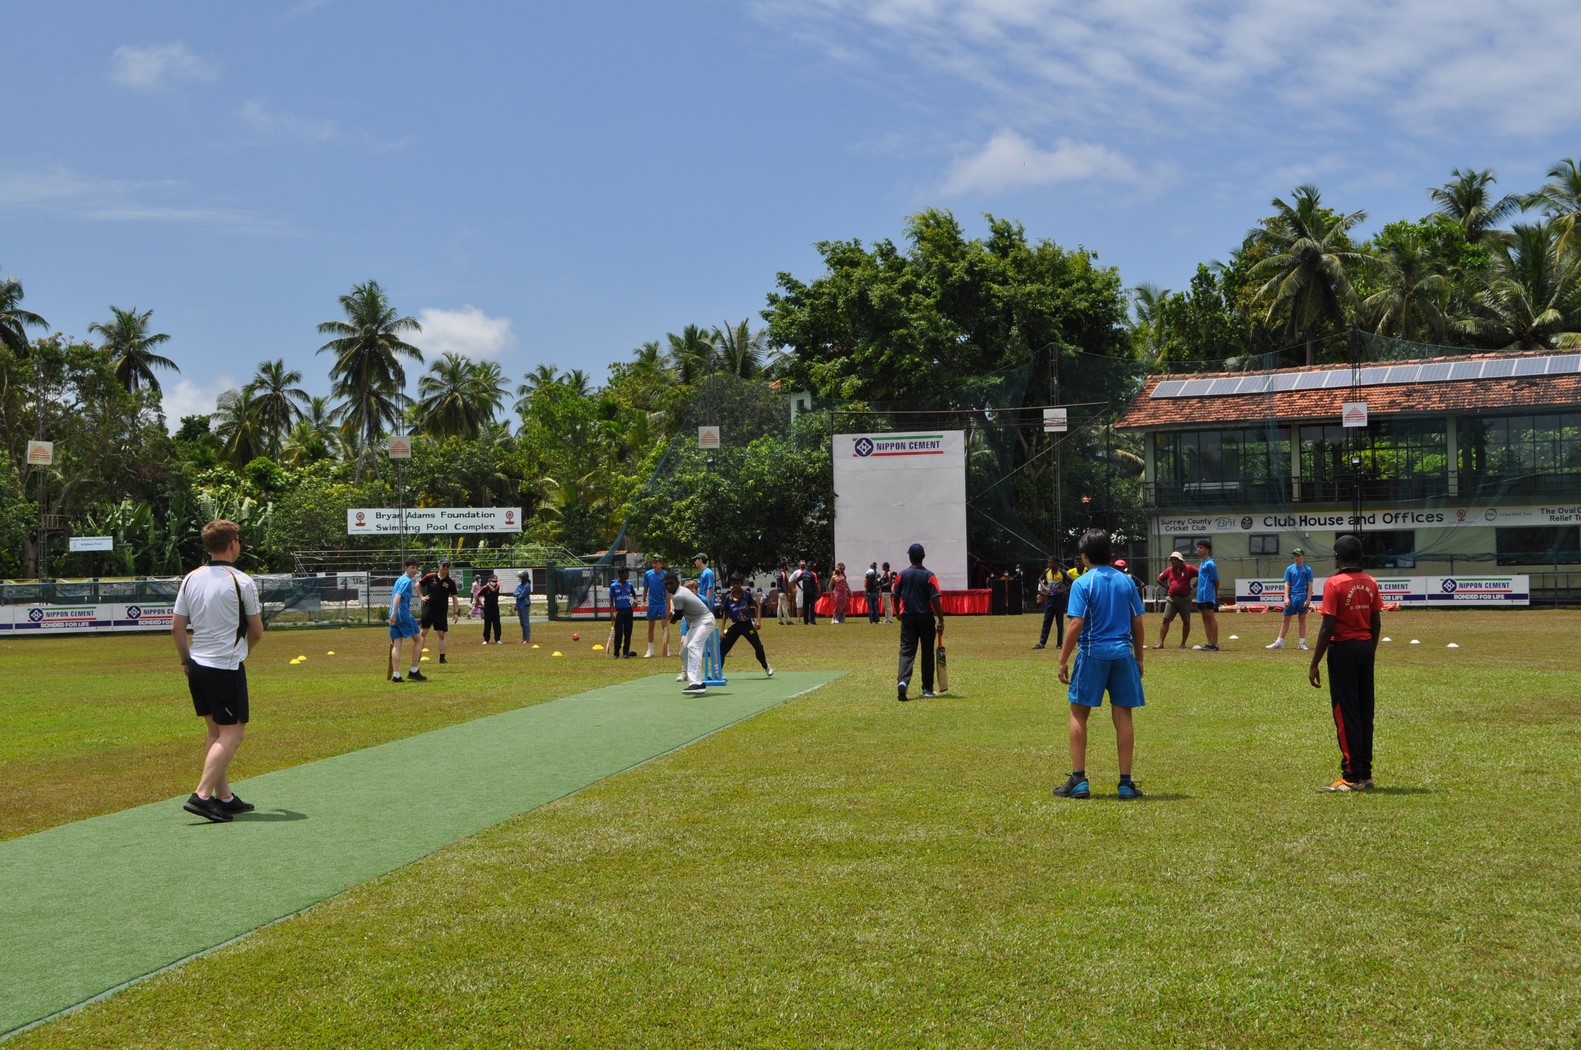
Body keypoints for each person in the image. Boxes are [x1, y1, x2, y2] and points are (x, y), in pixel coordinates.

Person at [171, 519, 265, 823]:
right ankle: (201, 795)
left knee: (215, 733)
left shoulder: (190, 578)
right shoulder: (242, 581)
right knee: (233, 734)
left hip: (197, 665)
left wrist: (186, 660)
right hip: (224, 667)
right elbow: (257, 631)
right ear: (233, 544)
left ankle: (223, 798)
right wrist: (241, 654)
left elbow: (177, 628)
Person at [1054, 528, 1146, 801]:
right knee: (1123, 716)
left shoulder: (1083, 583)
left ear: (1084, 555)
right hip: (1122, 655)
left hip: (1093, 653)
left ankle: (1079, 780)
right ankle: (1126, 783)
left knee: (1079, 713)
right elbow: (1138, 623)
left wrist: (1062, 659)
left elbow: (1076, 623)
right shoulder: (1126, 581)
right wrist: (1139, 657)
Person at [1308, 535, 1383, 792]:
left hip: (1342, 651)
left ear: (1336, 556)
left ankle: (1351, 777)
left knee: (1345, 712)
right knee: (1364, 711)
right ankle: (1366, 774)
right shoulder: (1370, 582)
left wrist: (1314, 662)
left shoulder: (1334, 583)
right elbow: (1376, 623)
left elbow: (1328, 625)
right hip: (1365, 649)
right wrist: (1369, 651)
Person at [893, 542, 944, 701]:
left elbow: (894, 595)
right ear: (923, 557)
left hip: (908, 617)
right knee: (927, 652)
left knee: (907, 651)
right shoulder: (930, 576)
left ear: (910, 557)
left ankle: (903, 681)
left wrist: (897, 613)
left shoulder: (902, 575)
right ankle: (927, 689)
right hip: (926, 617)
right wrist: (941, 619)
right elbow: (935, 599)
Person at [664, 573, 716, 694]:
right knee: (684, 651)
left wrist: (672, 619)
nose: (669, 586)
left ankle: (696, 683)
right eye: (666, 584)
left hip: (705, 619)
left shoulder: (678, 595)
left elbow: (678, 614)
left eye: (671, 583)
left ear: (677, 582)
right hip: (696, 622)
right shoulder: (677, 594)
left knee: (693, 646)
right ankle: (695, 679)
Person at [718, 573, 773, 677]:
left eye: (738, 583)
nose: (736, 586)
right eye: (733, 584)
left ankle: (766, 666)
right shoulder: (728, 598)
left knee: (758, 647)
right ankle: (718, 672)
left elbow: (757, 606)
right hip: (735, 626)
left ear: (741, 584)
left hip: (747, 625)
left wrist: (758, 621)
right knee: (722, 648)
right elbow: (725, 614)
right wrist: (722, 630)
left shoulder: (746, 595)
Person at [1268, 548, 1315, 650]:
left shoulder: (1307, 569)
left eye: (1298, 555)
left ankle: (1302, 643)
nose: (1296, 557)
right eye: (1295, 555)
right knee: (1286, 619)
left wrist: (1308, 599)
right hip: (1292, 596)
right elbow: (1287, 583)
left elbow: (1310, 584)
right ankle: (1279, 642)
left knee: (1302, 619)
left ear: (1303, 556)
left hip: (1302, 596)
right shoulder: (1289, 569)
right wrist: (1286, 597)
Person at [388, 557, 427, 682]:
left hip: (394, 615)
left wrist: (392, 615)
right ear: (406, 567)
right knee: (419, 639)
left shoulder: (399, 579)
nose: (415, 570)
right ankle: (414, 670)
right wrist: (395, 613)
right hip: (402, 614)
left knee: (397, 643)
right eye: (412, 568)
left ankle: (396, 675)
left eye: (416, 568)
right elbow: (398, 596)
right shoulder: (406, 581)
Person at [418, 557, 460, 664]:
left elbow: (455, 597)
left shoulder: (450, 582)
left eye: (447, 566)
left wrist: (456, 612)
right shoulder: (430, 577)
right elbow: (417, 584)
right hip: (428, 609)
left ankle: (442, 658)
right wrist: (421, 596)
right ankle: (417, 654)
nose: (445, 568)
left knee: (441, 634)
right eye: (444, 565)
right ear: (439, 566)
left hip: (441, 611)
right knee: (423, 632)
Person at [1154, 551, 1198, 649]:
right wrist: (1167, 587)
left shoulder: (1189, 568)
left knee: (1186, 621)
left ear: (1180, 560)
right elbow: (1159, 579)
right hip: (1171, 599)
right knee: (1165, 619)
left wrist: (1193, 586)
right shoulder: (1169, 570)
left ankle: (1183, 643)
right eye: (1172, 559)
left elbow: (1201, 575)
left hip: (1185, 599)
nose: (1173, 561)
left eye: (1175, 559)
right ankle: (1160, 643)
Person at [1032, 555, 1076, 650]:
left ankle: (1059, 644)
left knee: (1059, 622)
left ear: (1056, 563)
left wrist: (1063, 590)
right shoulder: (1047, 571)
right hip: (1049, 599)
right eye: (1048, 562)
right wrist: (1044, 588)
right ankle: (1042, 643)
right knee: (1047, 621)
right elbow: (1040, 579)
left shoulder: (1062, 572)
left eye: (1050, 562)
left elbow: (1072, 582)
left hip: (1059, 600)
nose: (1049, 564)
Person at [1192, 539, 1221, 651]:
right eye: (1198, 548)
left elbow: (1216, 580)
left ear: (1207, 550)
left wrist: (1216, 591)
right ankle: (1209, 643)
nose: (1198, 550)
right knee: (1204, 619)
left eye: (1201, 548)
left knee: (1210, 617)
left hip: (1208, 594)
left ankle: (1215, 643)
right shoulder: (1202, 563)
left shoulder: (1210, 563)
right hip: (1200, 595)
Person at [642, 555, 668, 658]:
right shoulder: (648, 574)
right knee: (650, 627)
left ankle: (666, 649)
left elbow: (667, 592)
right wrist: (643, 601)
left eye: (656, 562)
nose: (654, 564)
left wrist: (669, 605)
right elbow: (645, 588)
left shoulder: (665, 574)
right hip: (652, 604)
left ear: (661, 563)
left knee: (665, 626)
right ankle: (650, 649)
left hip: (662, 603)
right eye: (653, 562)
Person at [610, 565, 637, 657]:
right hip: (619, 612)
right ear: (621, 574)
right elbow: (611, 600)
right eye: (626, 573)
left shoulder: (629, 585)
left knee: (628, 632)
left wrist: (635, 602)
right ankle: (616, 653)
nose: (628, 575)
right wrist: (611, 613)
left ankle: (626, 652)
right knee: (618, 633)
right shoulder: (613, 586)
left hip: (628, 611)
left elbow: (634, 595)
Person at [478, 570, 502, 644]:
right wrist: (481, 604)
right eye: (493, 581)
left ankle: (497, 639)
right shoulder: (485, 587)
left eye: (495, 581)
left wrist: (489, 585)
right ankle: (486, 639)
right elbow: (478, 595)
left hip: (495, 607)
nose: (494, 582)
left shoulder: (497, 585)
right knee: (487, 623)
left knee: (497, 623)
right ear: (490, 580)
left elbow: (494, 590)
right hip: (487, 608)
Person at [513, 569, 533, 643]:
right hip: (519, 605)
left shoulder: (527, 585)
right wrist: (517, 594)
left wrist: (517, 594)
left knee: (525, 622)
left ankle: (527, 638)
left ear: (524, 578)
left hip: (524, 605)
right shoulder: (520, 585)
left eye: (520, 577)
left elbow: (521, 596)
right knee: (522, 623)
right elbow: (514, 593)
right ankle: (524, 638)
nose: (519, 578)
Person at [800, 561, 821, 625]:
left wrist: (801, 588)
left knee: (805, 606)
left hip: (805, 592)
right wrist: (817, 592)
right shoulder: (813, 574)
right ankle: (812, 621)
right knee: (811, 607)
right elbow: (815, 584)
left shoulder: (803, 573)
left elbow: (797, 580)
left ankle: (805, 621)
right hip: (812, 592)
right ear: (811, 567)